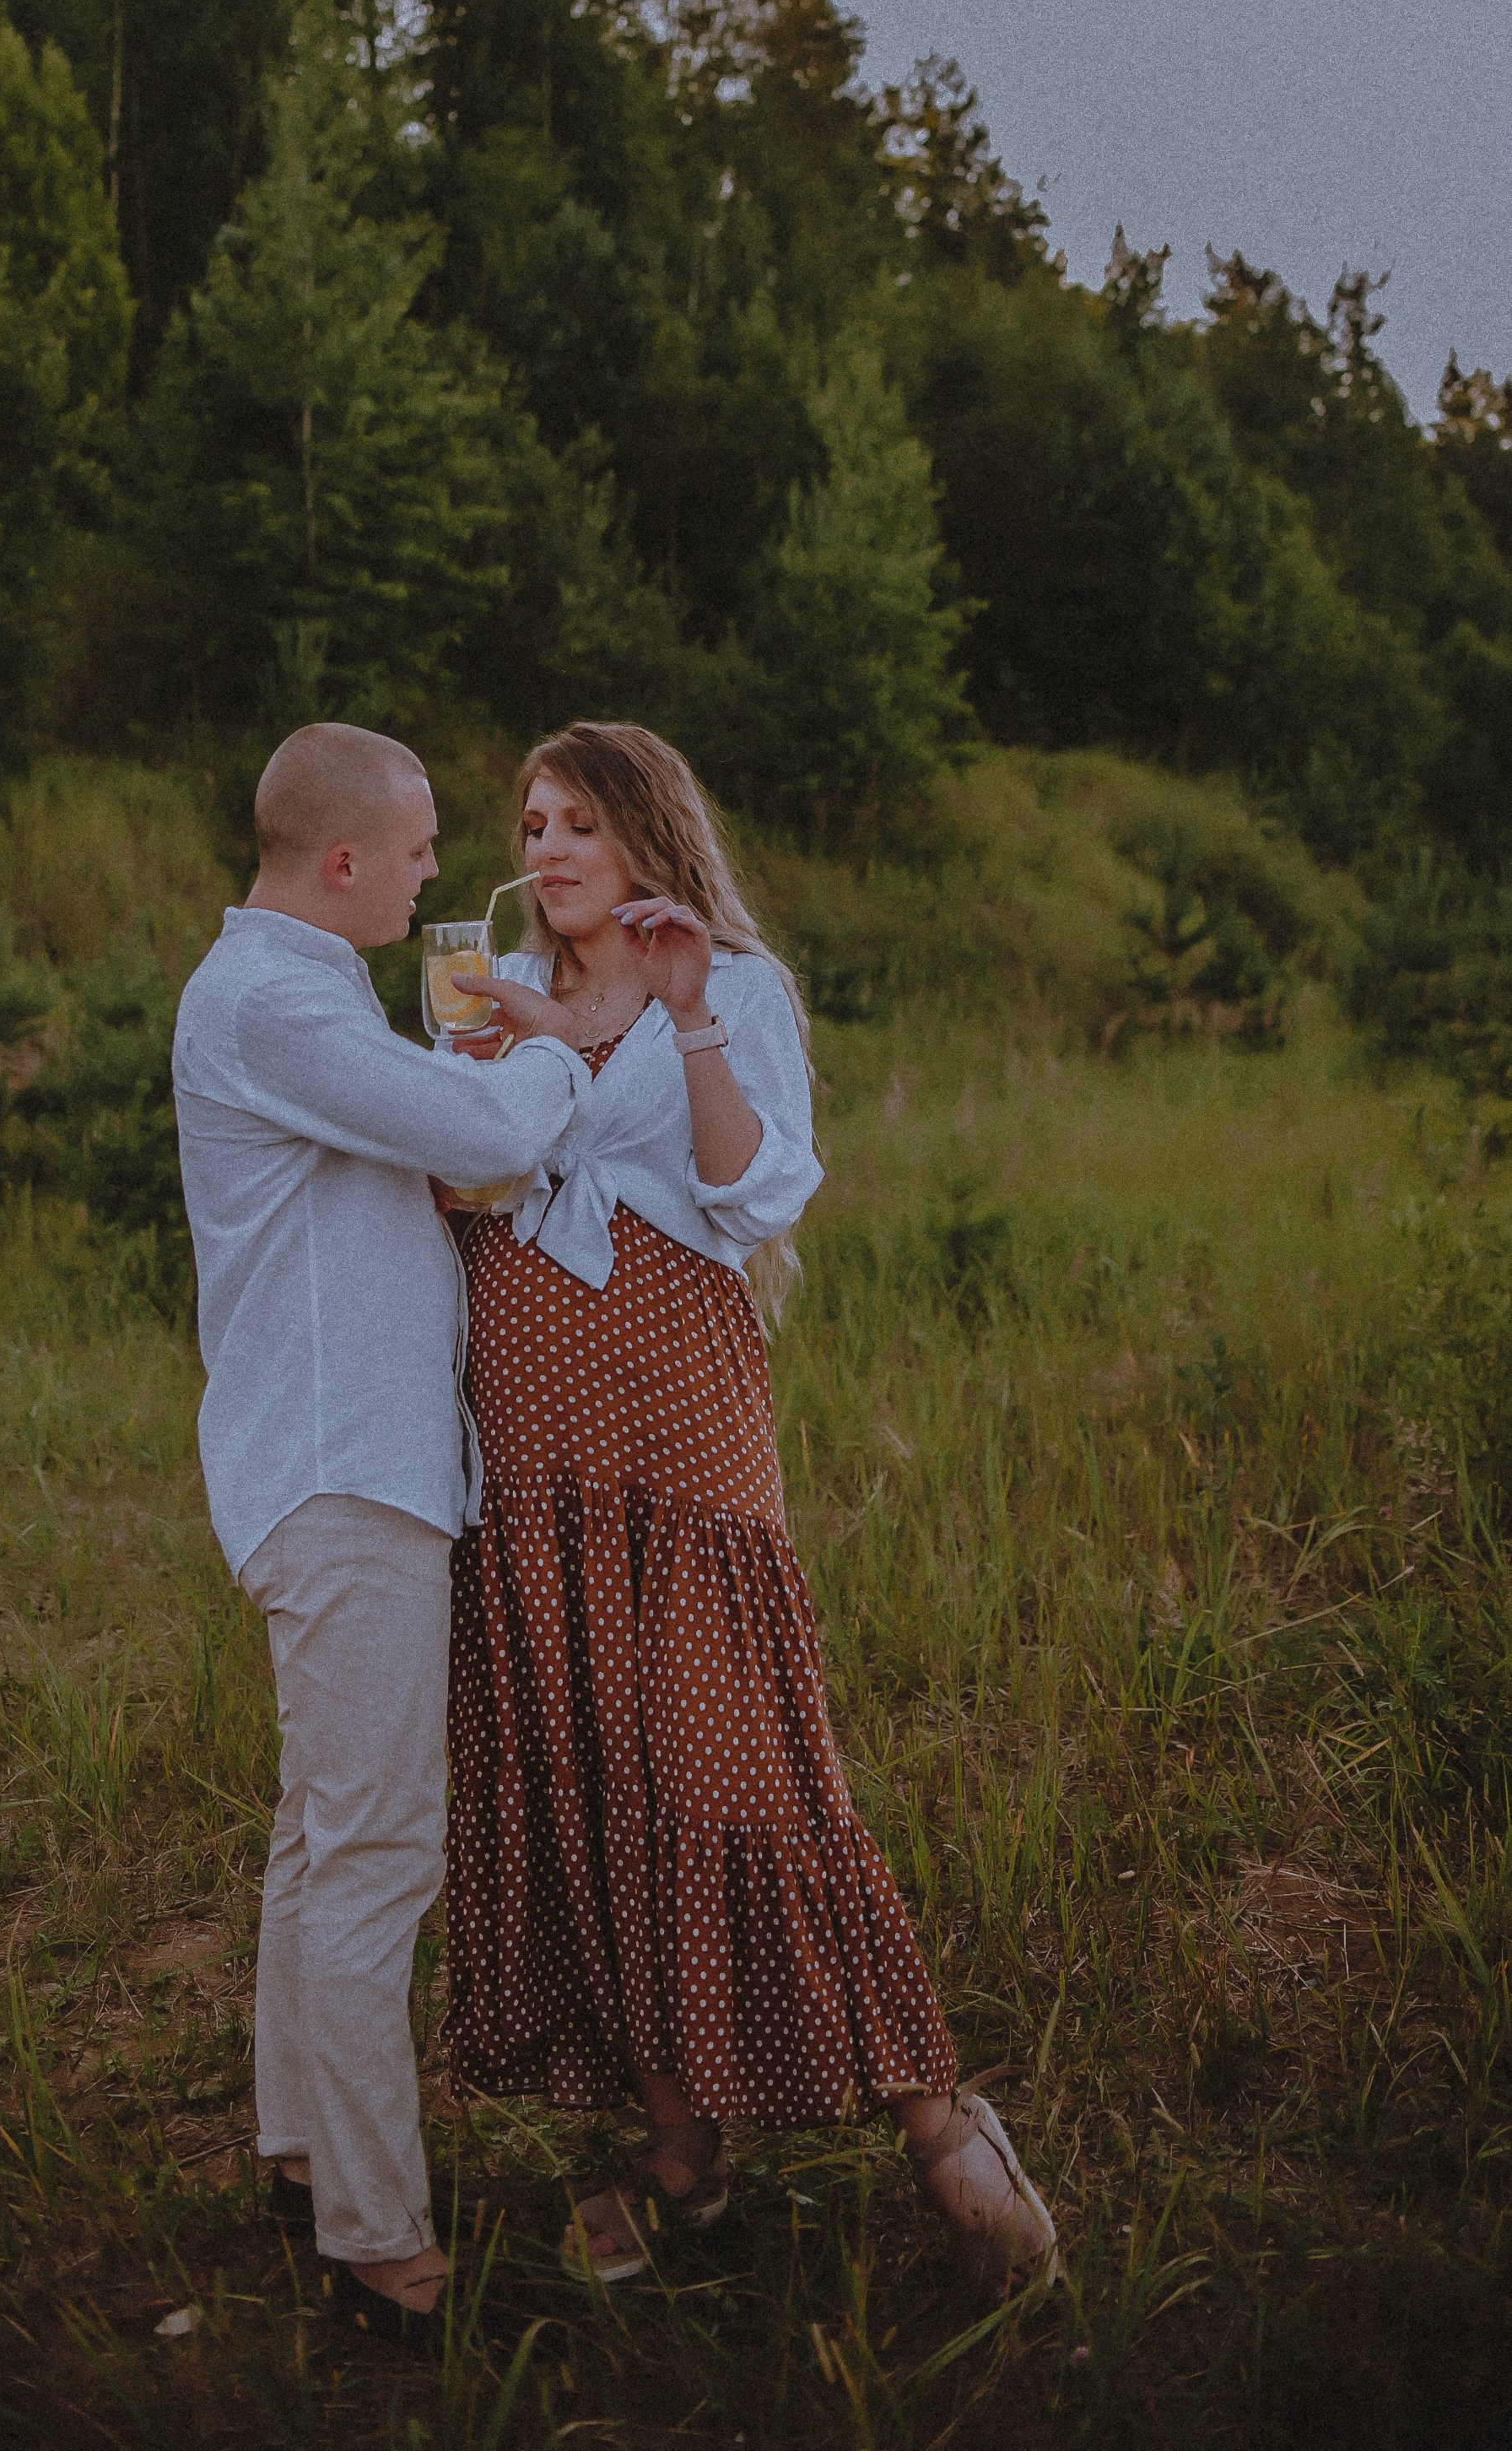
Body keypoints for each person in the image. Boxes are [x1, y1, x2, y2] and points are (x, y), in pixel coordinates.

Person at [440, 722, 1057, 2290]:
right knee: (594, 1772)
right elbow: (454, 1192)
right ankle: (680, 2158)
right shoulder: (486, 992)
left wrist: (689, 1013)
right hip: (530, 1438)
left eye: (580, 820)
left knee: (743, 1768)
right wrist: (483, 1069)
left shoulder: (731, 985)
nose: (550, 846)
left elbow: (755, 1189)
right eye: (533, 822)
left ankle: (934, 2113)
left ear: (648, 832)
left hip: (679, 1423)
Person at [170, 722, 591, 2340]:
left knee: (321, 1834)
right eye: (416, 850)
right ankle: (378, 2246)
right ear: (344, 861)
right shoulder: (272, 1000)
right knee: (377, 1854)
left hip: (347, 1466)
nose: (435, 874)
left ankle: (303, 2155)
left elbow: (413, 1153)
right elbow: (485, 1135)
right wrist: (566, 1044)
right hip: (344, 1474)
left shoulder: (306, 993)